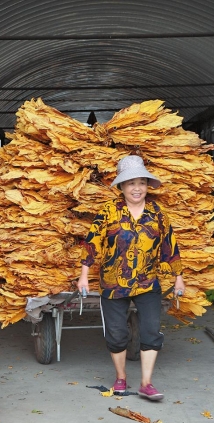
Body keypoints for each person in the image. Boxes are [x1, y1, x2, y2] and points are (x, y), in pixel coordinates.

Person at [77, 155, 185, 401]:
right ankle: (121, 377)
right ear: (122, 187)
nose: (137, 188)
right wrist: (84, 276)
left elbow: (170, 245)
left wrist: (179, 277)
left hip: (148, 282)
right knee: (116, 334)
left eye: (141, 183)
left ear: (147, 186)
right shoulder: (109, 212)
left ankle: (147, 383)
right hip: (113, 284)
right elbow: (92, 243)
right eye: (130, 183)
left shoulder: (157, 213)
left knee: (151, 331)